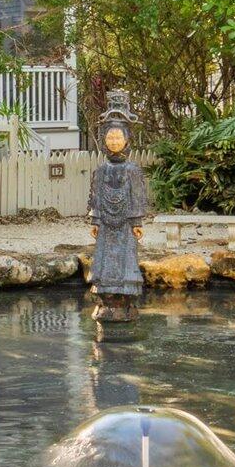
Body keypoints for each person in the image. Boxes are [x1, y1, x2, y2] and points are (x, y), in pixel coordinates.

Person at [87, 93, 148, 318]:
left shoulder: (132, 170)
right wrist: (95, 220)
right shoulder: (101, 170)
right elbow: (95, 196)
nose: (114, 142)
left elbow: (137, 196)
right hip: (106, 223)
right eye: (110, 137)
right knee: (104, 256)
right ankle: (105, 295)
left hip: (125, 224)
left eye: (118, 137)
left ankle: (126, 297)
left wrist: (137, 222)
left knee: (126, 257)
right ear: (104, 139)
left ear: (127, 139)